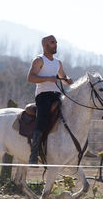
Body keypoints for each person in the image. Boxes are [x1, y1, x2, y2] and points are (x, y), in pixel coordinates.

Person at [27, 35, 74, 165]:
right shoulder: (38, 60)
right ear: (45, 45)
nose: (55, 44)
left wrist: (68, 80)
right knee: (43, 119)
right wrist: (48, 78)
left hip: (57, 95)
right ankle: (34, 154)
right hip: (43, 96)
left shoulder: (58, 62)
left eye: (56, 42)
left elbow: (63, 78)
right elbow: (30, 78)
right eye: (52, 42)